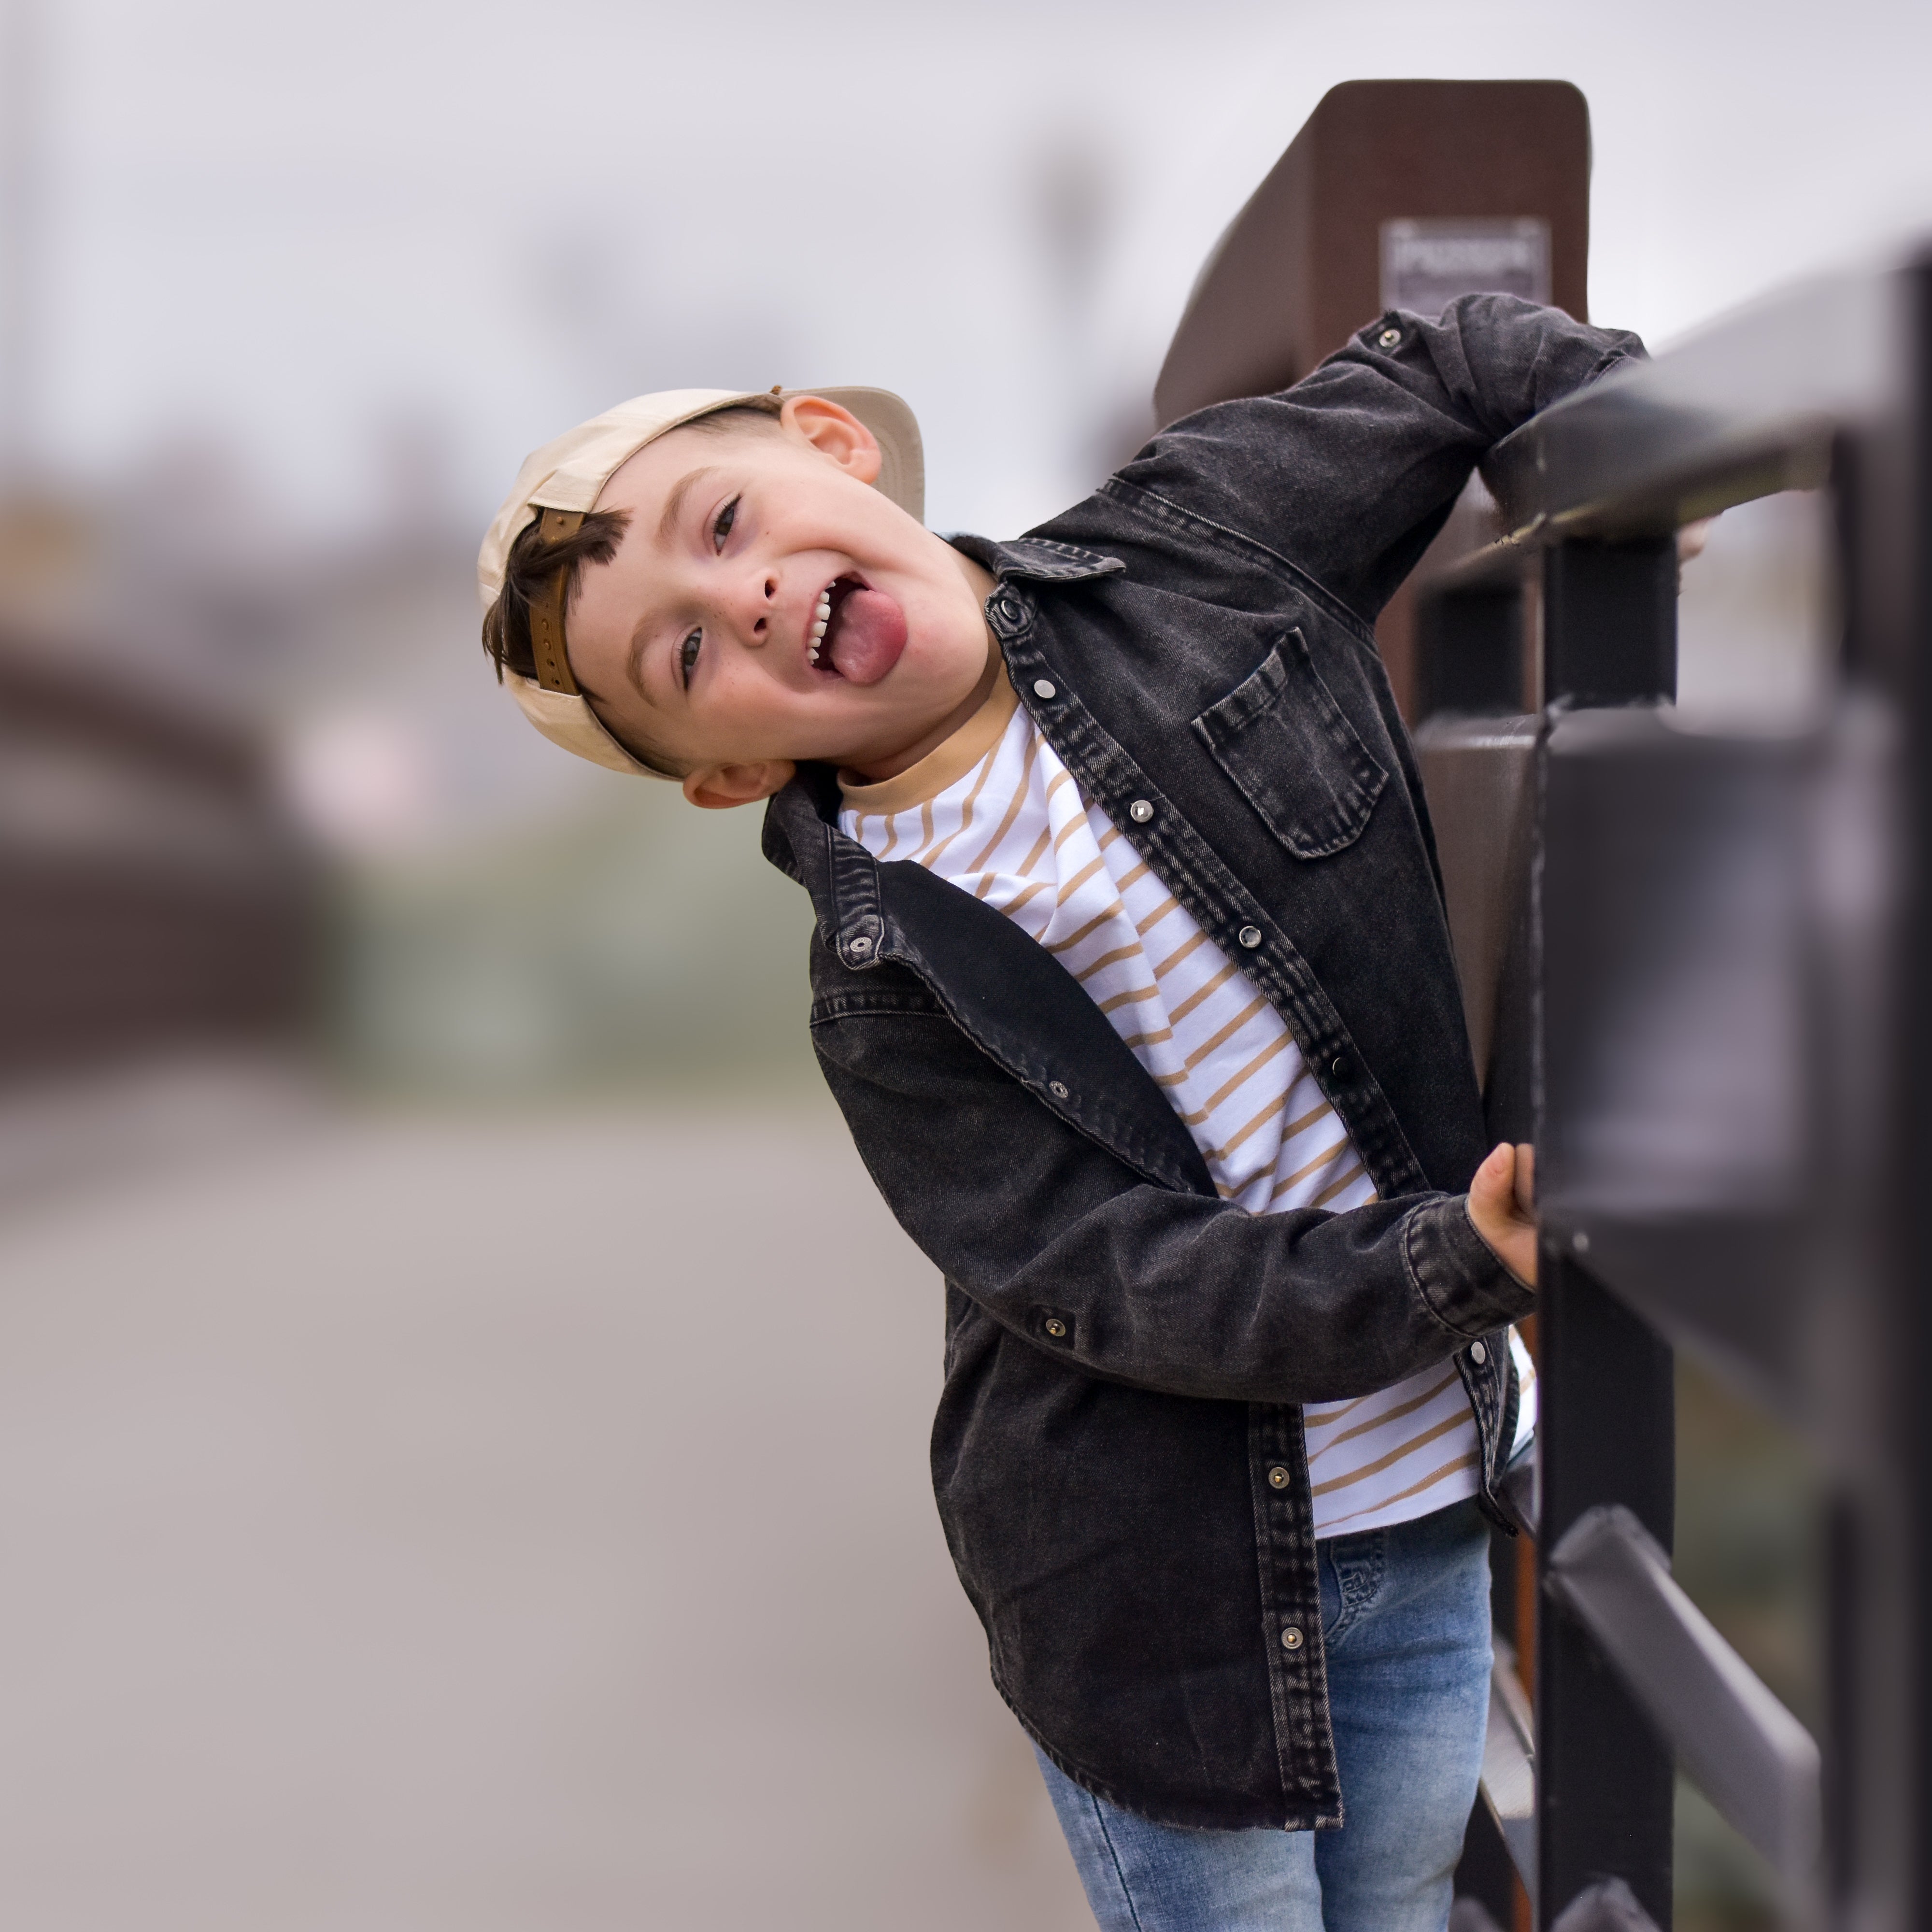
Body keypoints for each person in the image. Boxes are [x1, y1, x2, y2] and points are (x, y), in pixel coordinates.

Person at [475, 294, 1640, 1932]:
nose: (741, 598)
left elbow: (1443, 363)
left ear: (831, 441)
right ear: (723, 776)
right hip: (1152, 1611)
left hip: (1421, 1503)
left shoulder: (1194, 551)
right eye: (684, 655)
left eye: (725, 521)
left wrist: (1624, 455)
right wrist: (1444, 1267)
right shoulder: (883, 990)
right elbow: (1116, 1274)